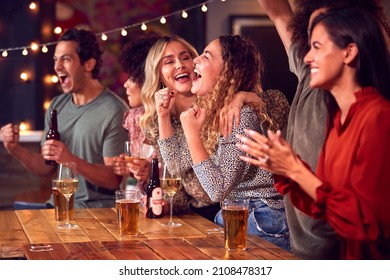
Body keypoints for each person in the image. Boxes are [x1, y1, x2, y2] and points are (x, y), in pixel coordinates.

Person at [237, 7, 390, 259]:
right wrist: (284, 168)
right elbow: (323, 204)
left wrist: (294, 169)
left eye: (317, 46)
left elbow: (368, 225)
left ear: (349, 52)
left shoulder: (378, 118)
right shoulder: (342, 120)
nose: (307, 58)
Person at [157, 35, 290, 251]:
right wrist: (163, 115)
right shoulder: (217, 111)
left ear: (227, 71)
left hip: (260, 218)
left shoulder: (240, 114)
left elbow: (216, 189)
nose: (194, 61)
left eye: (205, 56)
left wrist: (192, 133)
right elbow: (174, 165)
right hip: (244, 215)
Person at [0, 28, 129, 208]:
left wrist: (69, 159)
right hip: (57, 207)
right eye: (55, 60)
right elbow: (46, 167)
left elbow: (113, 179)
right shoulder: (56, 106)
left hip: (96, 213)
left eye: (66, 59)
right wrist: (14, 148)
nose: (57, 67)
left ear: (88, 65)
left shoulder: (114, 110)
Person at [112, 34, 161, 193]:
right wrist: (126, 169)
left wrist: (153, 173)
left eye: (132, 78)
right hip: (141, 206)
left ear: (147, 79)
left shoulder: (175, 117)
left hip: (173, 208)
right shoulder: (133, 118)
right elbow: (133, 180)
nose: (126, 84)